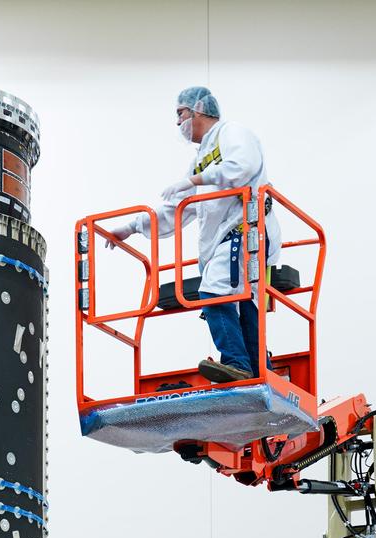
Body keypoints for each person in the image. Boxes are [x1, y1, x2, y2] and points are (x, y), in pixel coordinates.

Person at [107, 86, 281, 384]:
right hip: (231, 240)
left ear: (198, 109)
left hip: (246, 232)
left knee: (214, 291)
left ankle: (238, 364)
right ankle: (259, 371)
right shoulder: (200, 159)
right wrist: (132, 227)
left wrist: (194, 180)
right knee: (245, 303)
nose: (178, 122)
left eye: (181, 113)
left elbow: (242, 166)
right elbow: (176, 210)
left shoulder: (231, 133)